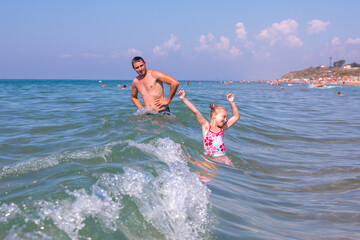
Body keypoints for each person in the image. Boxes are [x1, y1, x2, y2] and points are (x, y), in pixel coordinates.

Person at [178, 88, 240, 166]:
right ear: (214, 116)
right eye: (223, 117)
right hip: (210, 158)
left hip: (224, 158)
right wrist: (183, 98)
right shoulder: (206, 127)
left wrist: (232, 102)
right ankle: (187, 158)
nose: (225, 120)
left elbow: (236, 117)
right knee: (207, 175)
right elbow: (196, 111)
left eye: (226, 117)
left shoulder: (222, 129)